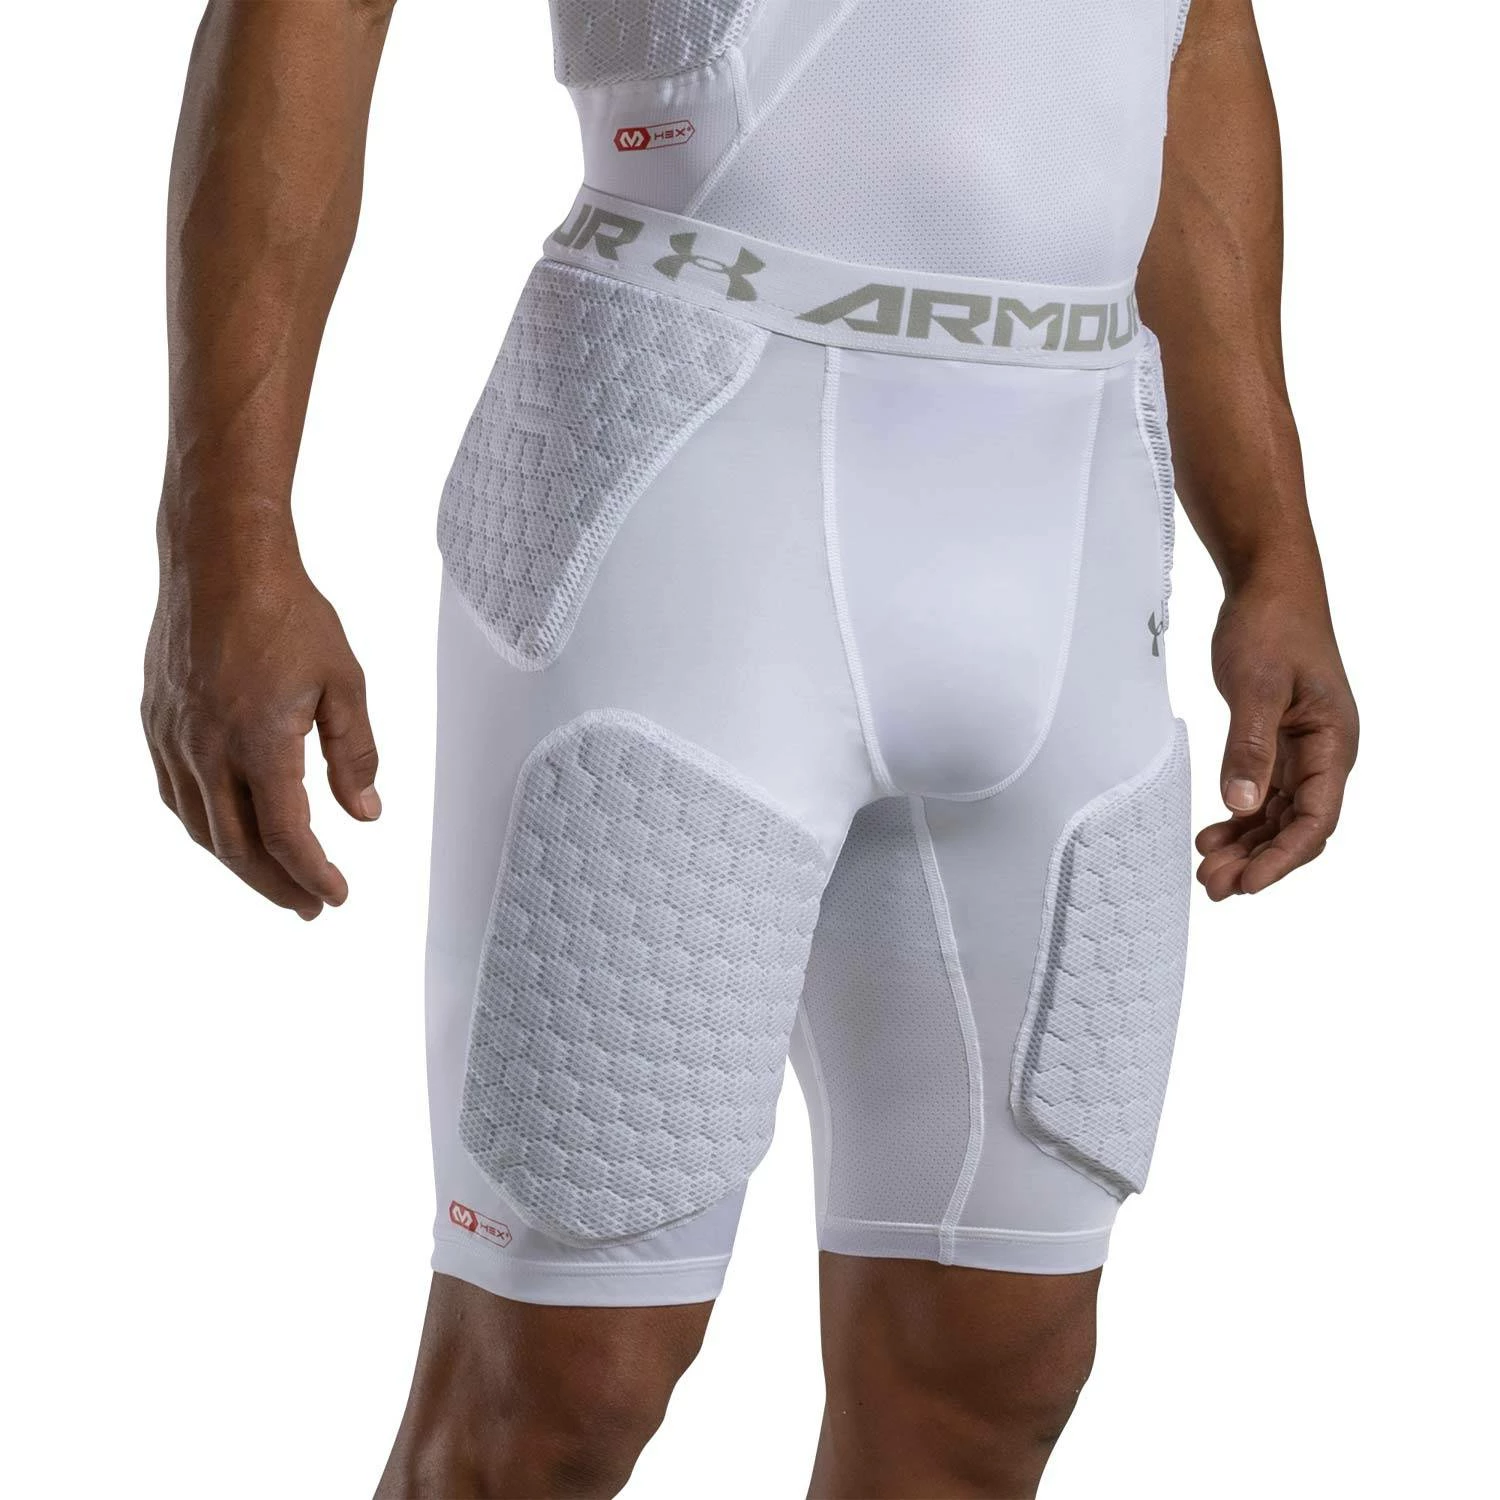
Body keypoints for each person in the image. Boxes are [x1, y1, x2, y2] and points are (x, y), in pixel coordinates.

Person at [141, 1, 1359, 1495]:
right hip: (686, 466)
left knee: (996, 1375)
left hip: (1079, 507)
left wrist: (1274, 549)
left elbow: (1199, 31)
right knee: (558, 1392)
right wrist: (226, 534)